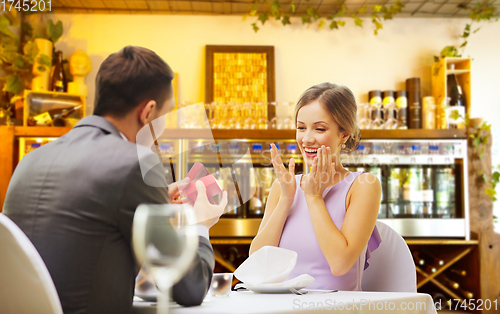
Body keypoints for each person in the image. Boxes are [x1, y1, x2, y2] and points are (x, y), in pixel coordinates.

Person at [3, 46, 227, 313]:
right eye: (166, 116)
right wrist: (199, 226)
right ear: (148, 112)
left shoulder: (29, 161)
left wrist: (152, 201)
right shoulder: (137, 164)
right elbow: (190, 288)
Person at [249, 82, 382, 291]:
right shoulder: (284, 187)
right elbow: (257, 263)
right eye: (301, 127)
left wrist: (313, 197)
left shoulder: (363, 186)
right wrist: (286, 199)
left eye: (319, 129)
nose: (307, 139)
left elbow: (340, 264)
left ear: (344, 134)